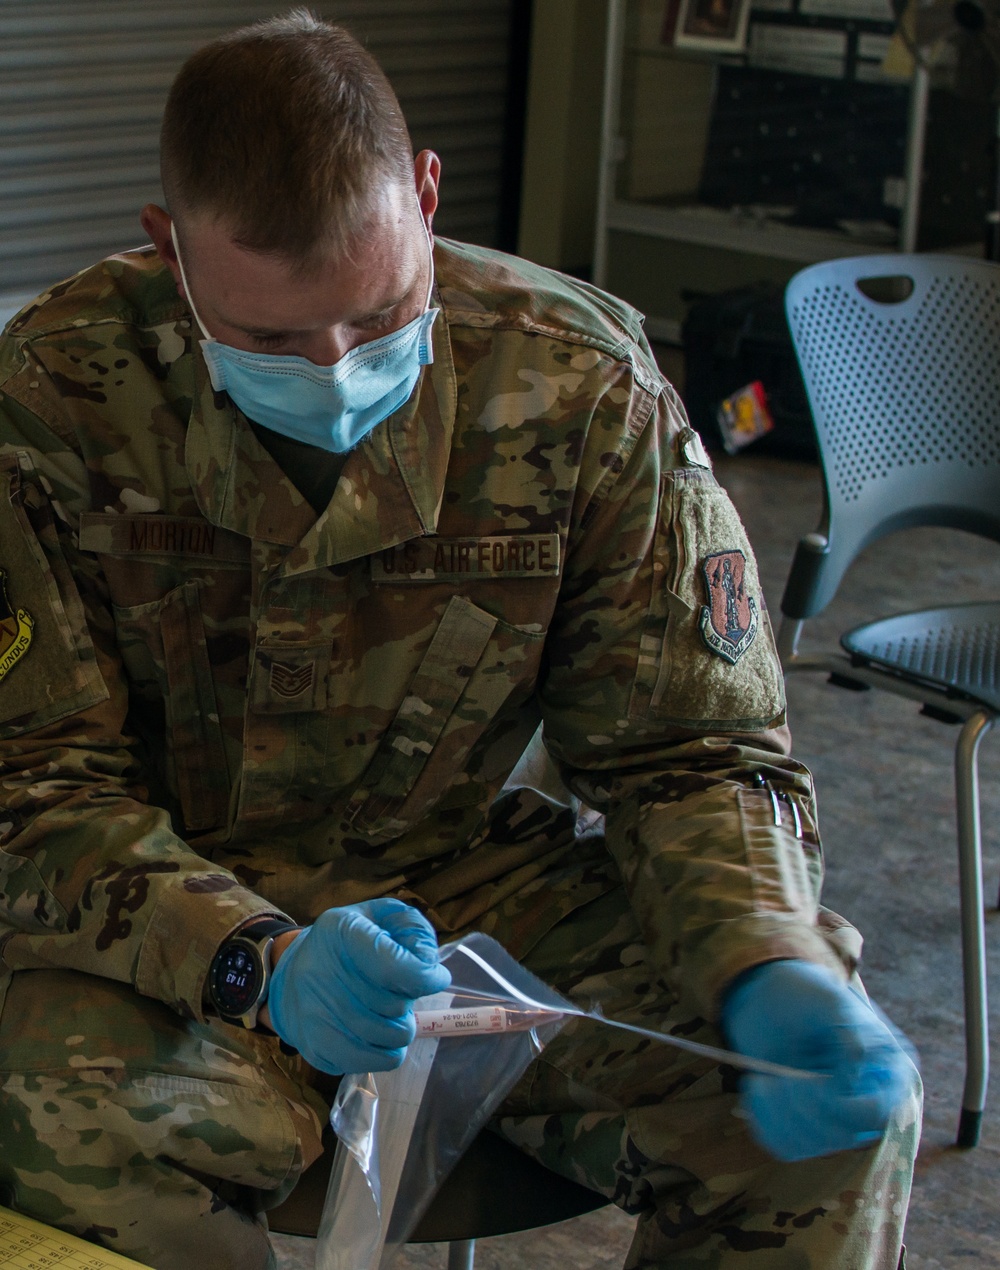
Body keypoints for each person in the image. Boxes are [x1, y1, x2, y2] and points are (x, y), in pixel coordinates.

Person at [0, 10, 920, 1270]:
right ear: (171, 252)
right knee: (58, 1116)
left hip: (464, 888)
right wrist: (251, 959)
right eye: (269, 340)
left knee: (814, 1123)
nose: (334, 369)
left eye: (382, 317)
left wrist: (767, 956)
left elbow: (687, 750)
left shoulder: (577, 384)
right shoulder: (53, 400)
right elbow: (32, 788)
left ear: (427, 196)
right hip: (171, 920)